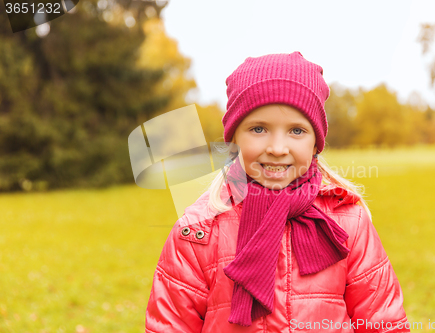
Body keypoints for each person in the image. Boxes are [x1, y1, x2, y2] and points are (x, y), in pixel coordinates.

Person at [145, 52, 411, 333]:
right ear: (234, 138)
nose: (277, 147)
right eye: (258, 129)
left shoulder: (348, 222)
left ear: (316, 144)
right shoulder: (199, 231)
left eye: (296, 131)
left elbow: (384, 323)